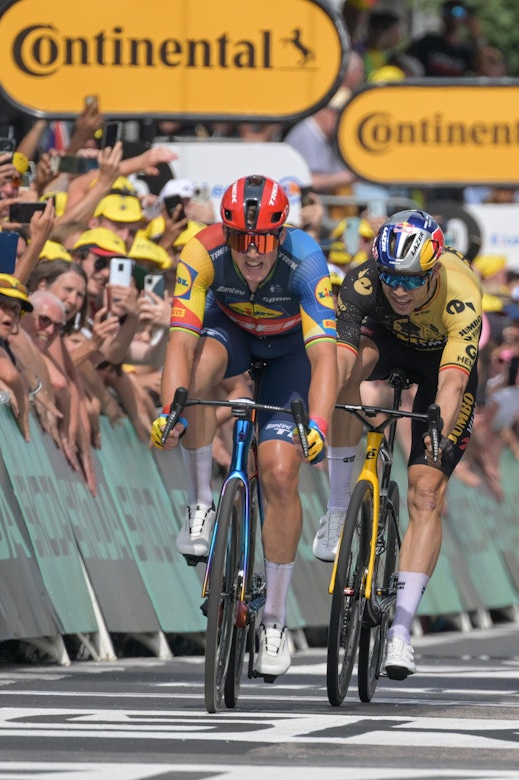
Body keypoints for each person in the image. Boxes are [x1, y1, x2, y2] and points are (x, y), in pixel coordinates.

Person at [151, 175, 339, 680]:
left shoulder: (306, 261)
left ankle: (275, 620)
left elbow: (324, 361)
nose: (252, 254)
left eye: (262, 241)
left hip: (289, 356)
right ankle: (198, 502)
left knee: (279, 474)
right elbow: (179, 345)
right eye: (239, 239)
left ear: (281, 235)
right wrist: (171, 410)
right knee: (200, 371)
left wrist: (317, 424)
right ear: (223, 232)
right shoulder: (200, 252)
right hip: (229, 332)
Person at [316, 209, 483, 681]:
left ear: (433, 269)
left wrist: (434, 433)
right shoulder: (364, 284)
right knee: (346, 371)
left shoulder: (462, 294)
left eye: (411, 280)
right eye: (391, 277)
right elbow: (341, 361)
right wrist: (324, 407)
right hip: (387, 343)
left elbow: (451, 388)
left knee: (426, 490)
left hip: (443, 367)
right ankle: (337, 507)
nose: (399, 289)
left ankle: (401, 633)